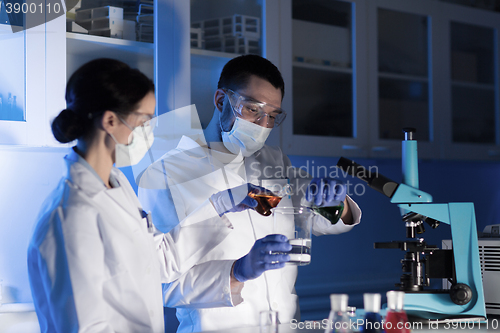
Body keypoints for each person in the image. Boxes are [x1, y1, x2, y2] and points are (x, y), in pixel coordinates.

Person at [27, 58, 291, 333]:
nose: (152, 132)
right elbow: (84, 326)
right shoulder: (71, 214)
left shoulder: (116, 187)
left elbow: (161, 263)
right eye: (145, 121)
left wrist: (224, 204)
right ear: (110, 121)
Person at [138, 54, 362, 332]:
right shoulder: (167, 174)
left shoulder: (274, 161)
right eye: (253, 109)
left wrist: (335, 203)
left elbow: (318, 218)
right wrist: (238, 271)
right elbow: (163, 287)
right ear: (221, 101)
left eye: (272, 116)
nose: (262, 125)